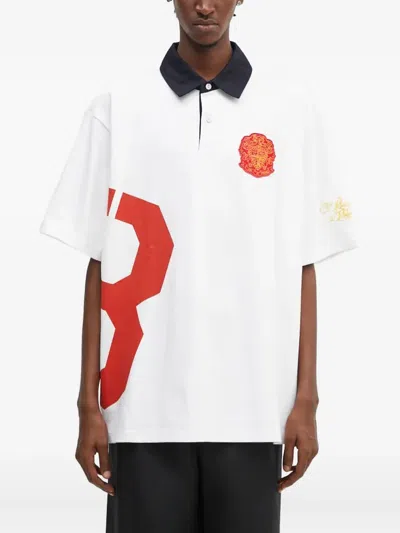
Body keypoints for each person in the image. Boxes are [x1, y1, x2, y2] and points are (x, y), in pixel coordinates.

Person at [39, 1, 357, 532]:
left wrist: (307, 398)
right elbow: (99, 259)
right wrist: (87, 406)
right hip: (141, 409)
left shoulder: (292, 110)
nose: (204, 5)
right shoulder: (117, 106)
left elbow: (305, 262)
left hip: (254, 408)